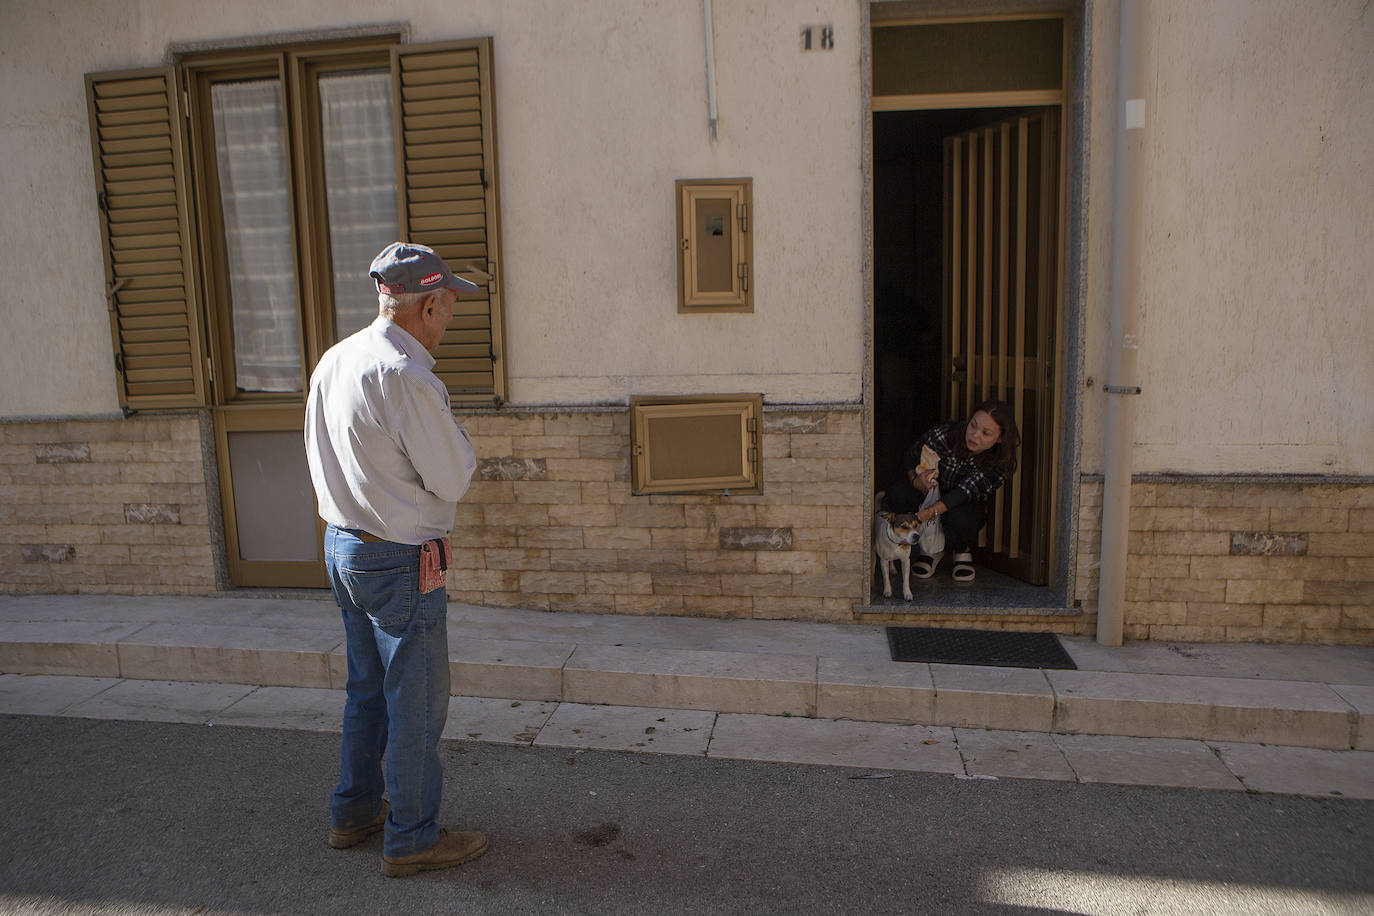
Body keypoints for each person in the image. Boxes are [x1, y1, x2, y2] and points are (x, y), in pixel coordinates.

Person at [304, 241, 482, 878]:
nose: (450, 316)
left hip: (344, 544)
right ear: (428, 305)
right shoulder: (407, 377)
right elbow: (454, 476)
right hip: (399, 557)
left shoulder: (336, 359)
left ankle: (354, 811)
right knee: (416, 702)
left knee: (367, 690)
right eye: (449, 304)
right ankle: (411, 837)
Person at [881, 399, 1021, 583]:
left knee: (962, 517)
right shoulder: (946, 435)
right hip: (927, 493)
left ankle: (961, 549)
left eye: (986, 433)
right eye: (973, 425)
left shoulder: (999, 462)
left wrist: (923, 516)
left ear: (1000, 438)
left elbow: (962, 492)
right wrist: (916, 481)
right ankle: (930, 550)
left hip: (961, 505)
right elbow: (910, 456)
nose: (975, 435)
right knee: (898, 495)